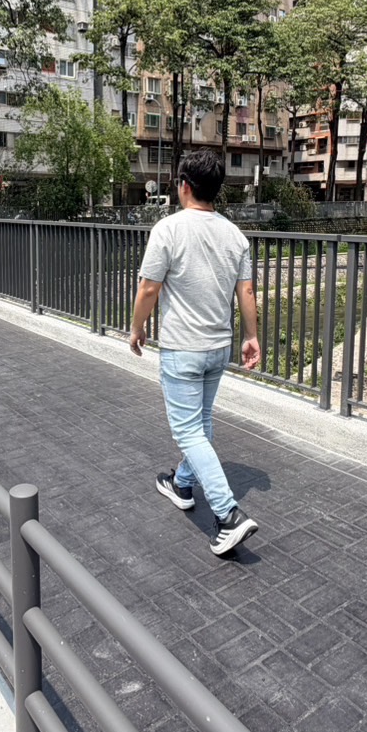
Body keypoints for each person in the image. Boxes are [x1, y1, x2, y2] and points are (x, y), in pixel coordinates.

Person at [129, 150, 262, 556]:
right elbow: (246, 291)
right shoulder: (235, 235)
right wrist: (251, 336)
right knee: (200, 424)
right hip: (218, 347)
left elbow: (149, 288)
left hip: (183, 348)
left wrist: (137, 328)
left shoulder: (168, 229)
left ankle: (228, 515)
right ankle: (183, 485)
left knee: (188, 431)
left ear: (184, 185)